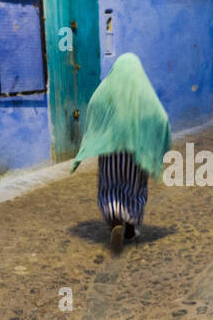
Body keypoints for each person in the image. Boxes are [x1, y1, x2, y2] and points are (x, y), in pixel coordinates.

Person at [71, 53, 171, 254]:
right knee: (134, 187)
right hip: (136, 152)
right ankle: (130, 227)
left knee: (110, 184)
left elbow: (94, 106)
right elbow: (161, 118)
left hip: (111, 149)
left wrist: (99, 132)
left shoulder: (106, 88)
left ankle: (114, 220)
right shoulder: (143, 92)